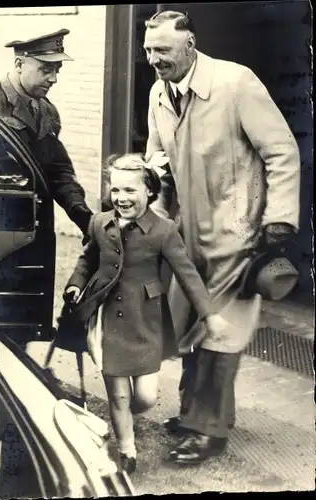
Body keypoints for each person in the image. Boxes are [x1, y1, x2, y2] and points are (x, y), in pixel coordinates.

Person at [143, 10, 300, 464]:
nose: (155, 60)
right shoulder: (159, 93)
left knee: (220, 331)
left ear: (190, 45)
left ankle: (207, 430)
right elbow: (157, 158)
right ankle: (195, 413)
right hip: (186, 235)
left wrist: (280, 218)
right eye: (150, 51)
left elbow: (282, 150)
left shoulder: (235, 83)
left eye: (164, 51)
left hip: (238, 234)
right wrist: (151, 208)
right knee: (192, 327)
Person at [61, 153, 217, 474]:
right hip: (107, 320)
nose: (121, 198)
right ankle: (127, 450)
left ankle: (126, 416)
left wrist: (208, 314)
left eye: (130, 190)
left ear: (149, 191)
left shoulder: (164, 230)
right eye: (115, 190)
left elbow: (187, 274)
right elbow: (87, 260)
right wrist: (76, 284)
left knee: (145, 397)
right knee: (118, 394)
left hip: (146, 320)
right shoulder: (99, 223)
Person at [0, 29, 93, 241]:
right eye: (46, 70)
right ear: (19, 64)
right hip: (2, 231)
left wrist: (80, 213)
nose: (53, 79)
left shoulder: (48, 111)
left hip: (41, 230)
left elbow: (57, 169)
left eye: (57, 70)